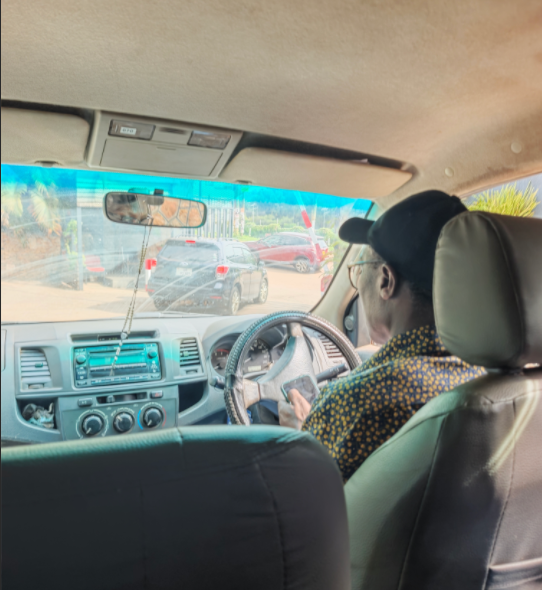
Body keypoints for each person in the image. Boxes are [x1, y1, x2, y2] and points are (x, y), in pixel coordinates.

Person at [278, 190, 486, 482]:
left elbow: (306, 497)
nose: (358, 281)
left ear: (386, 281)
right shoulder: (499, 381)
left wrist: (301, 437)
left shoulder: (358, 402)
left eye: (359, 268)